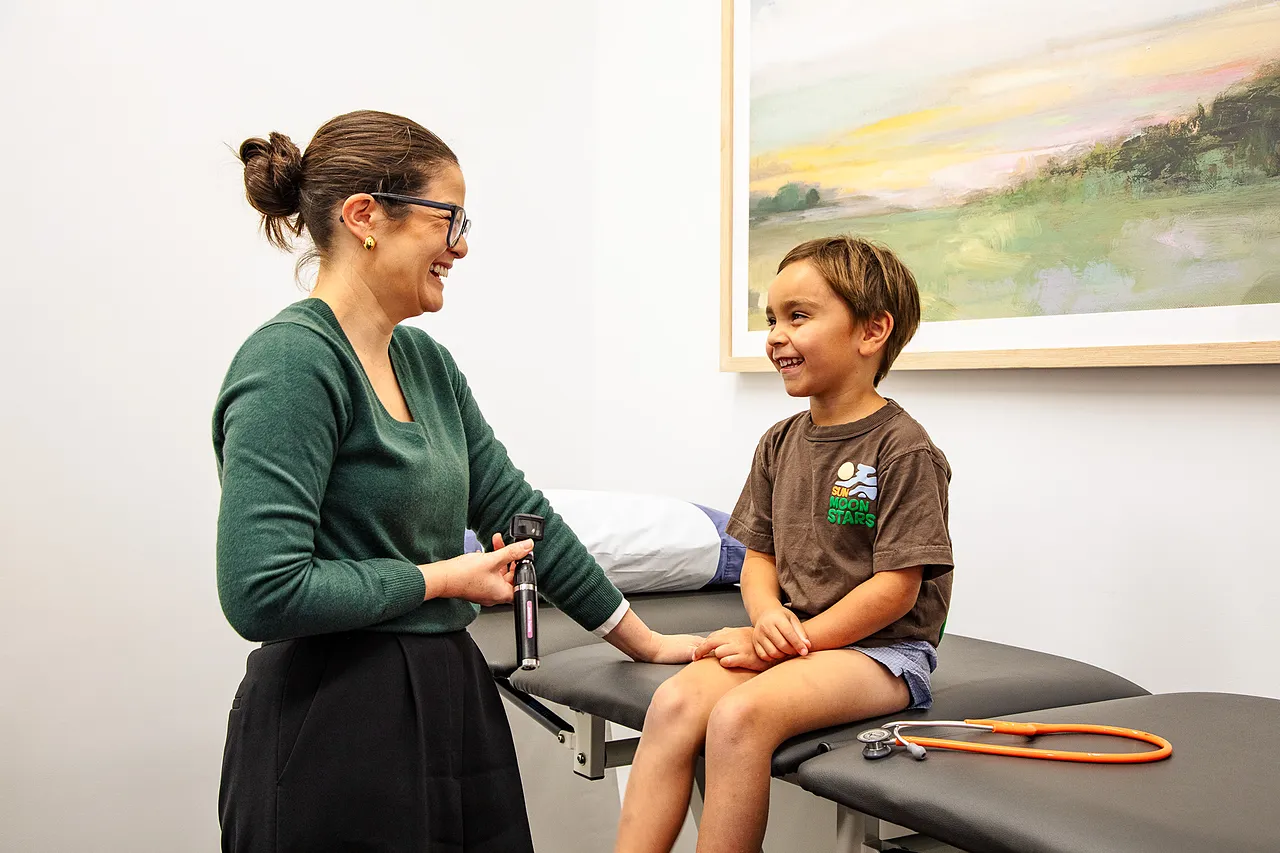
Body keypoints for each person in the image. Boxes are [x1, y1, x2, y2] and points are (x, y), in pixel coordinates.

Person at [214, 109, 700, 853]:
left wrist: (646, 641)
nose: (462, 245)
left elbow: (518, 510)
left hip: (450, 700)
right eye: (449, 219)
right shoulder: (290, 365)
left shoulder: (428, 366)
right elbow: (261, 590)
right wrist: (442, 579)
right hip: (333, 721)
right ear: (364, 217)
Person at [614, 236, 955, 853]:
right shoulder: (779, 442)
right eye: (770, 319)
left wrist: (785, 643)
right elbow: (759, 557)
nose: (774, 335)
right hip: (798, 638)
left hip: (885, 655)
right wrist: (769, 617)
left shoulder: (903, 449)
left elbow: (896, 589)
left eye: (798, 317)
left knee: (740, 718)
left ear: (872, 331)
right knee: (674, 704)